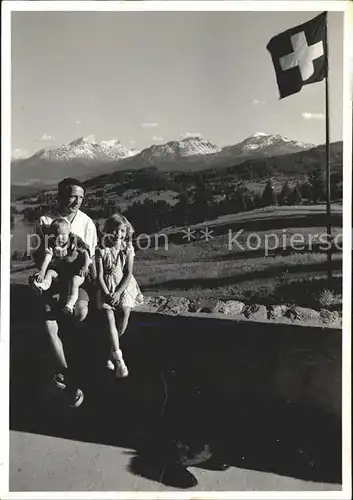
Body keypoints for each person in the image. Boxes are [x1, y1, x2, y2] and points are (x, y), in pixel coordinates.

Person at [30, 178, 97, 408]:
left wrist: (95, 282)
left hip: (76, 282)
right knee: (49, 324)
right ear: (60, 196)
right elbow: (40, 255)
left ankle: (66, 370)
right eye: (72, 196)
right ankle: (66, 375)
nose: (77, 201)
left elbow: (91, 256)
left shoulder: (86, 223)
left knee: (78, 313)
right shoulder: (45, 221)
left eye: (81, 197)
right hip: (54, 279)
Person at [95, 213, 144, 378]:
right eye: (115, 231)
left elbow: (128, 273)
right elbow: (100, 276)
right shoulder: (101, 249)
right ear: (108, 231)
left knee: (124, 313)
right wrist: (107, 293)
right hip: (106, 286)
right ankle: (120, 360)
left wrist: (117, 293)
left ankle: (110, 355)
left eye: (122, 231)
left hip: (123, 285)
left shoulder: (127, 249)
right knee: (109, 315)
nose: (119, 235)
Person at [29, 218, 91, 315]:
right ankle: (43, 285)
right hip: (61, 272)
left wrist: (85, 266)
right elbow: (47, 258)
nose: (60, 238)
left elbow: (86, 253)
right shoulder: (51, 242)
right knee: (50, 272)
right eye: (56, 234)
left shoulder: (74, 240)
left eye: (63, 235)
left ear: (69, 232)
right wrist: (42, 272)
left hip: (77, 270)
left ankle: (69, 305)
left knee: (74, 281)